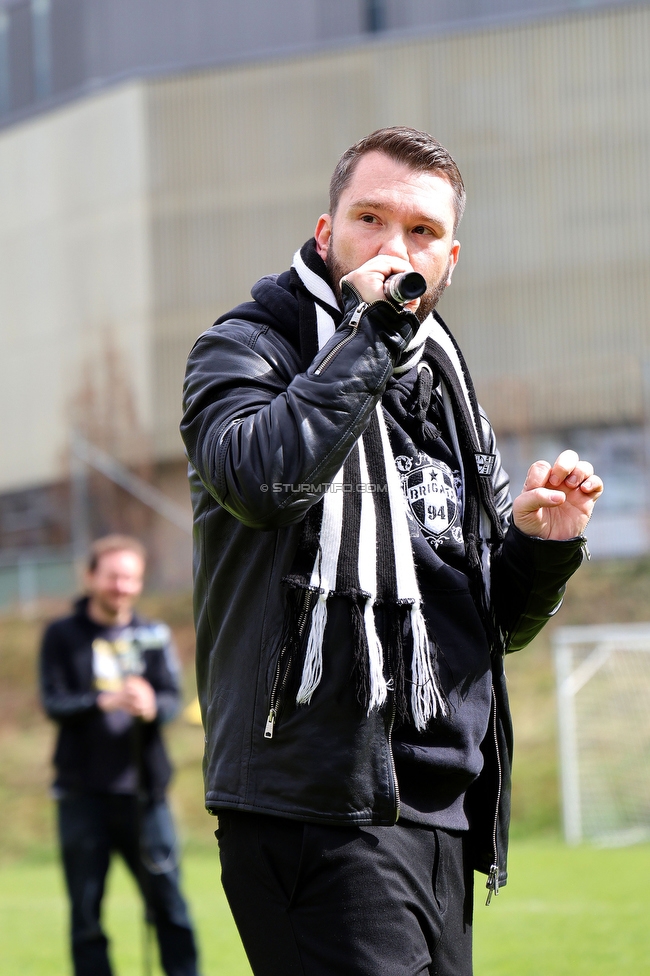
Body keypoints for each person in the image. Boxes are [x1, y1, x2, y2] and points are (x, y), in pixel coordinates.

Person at [180, 127, 603, 976]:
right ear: (326, 231)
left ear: (450, 257)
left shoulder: (442, 384)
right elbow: (267, 483)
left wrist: (538, 549)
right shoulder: (248, 349)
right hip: (314, 807)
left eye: (420, 232)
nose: (393, 247)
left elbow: (484, 629)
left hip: (441, 811)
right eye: (370, 219)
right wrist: (365, 332)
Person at [39, 535, 200, 976]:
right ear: (90, 577)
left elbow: (171, 699)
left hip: (145, 796)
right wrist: (102, 701)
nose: (122, 586)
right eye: (112, 576)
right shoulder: (62, 635)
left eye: (130, 577)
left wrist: (153, 707)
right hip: (82, 797)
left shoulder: (152, 635)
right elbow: (54, 703)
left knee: (170, 907)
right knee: (86, 914)